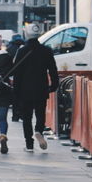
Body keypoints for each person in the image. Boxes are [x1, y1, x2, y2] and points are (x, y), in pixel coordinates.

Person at [12, 22, 59, 152]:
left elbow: (17, 73)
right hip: (41, 88)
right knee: (40, 113)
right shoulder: (46, 51)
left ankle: (29, 144)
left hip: (25, 89)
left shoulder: (21, 51)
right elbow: (53, 70)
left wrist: (16, 91)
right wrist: (54, 85)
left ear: (26, 34)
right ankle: (38, 130)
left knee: (26, 117)